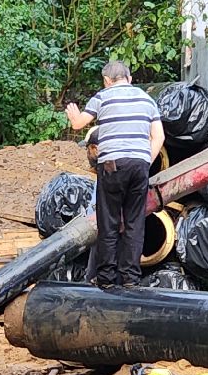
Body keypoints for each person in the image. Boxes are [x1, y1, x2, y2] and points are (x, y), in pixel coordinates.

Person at [64, 60, 163, 287]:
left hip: (111, 165)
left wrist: (73, 114)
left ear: (107, 81)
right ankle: (130, 278)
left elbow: (80, 124)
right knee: (134, 222)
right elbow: (159, 137)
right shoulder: (147, 99)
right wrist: (145, 160)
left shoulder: (103, 96)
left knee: (108, 221)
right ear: (129, 78)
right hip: (139, 165)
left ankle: (107, 278)